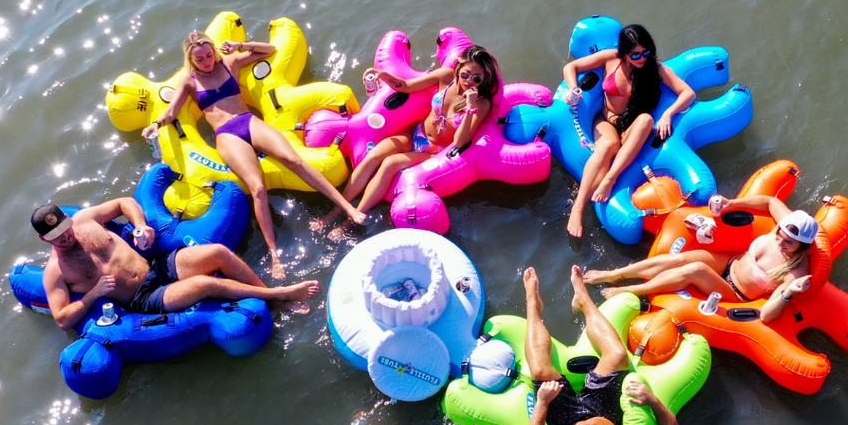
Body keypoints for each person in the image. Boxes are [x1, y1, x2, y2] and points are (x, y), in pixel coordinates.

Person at [141, 31, 366, 278]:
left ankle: (347, 207)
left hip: (248, 121)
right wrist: (155, 124)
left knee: (293, 160)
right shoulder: (189, 81)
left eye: (208, 54)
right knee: (257, 188)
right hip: (227, 135)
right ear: (191, 60)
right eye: (200, 59)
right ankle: (275, 256)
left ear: (214, 51)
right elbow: (172, 112)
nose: (206, 61)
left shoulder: (229, 62)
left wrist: (240, 45)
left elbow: (268, 50)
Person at [521, 265, 682, 425]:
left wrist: (542, 403)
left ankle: (533, 306)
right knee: (617, 355)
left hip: (564, 422)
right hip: (604, 412)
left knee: (542, 371)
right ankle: (583, 300)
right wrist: (652, 400)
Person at [31, 199, 319, 331]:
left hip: (156, 265)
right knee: (207, 284)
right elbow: (61, 319)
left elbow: (123, 203)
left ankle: (271, 297)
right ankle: (280, 295)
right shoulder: (56, 270)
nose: (66, 235)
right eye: (57, 236)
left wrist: (140, 225)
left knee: (218, 252)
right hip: (143, 298)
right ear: (45, 239)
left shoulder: (85, 220)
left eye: (65, 228)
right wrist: (93, 294)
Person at [311, 44, 500, 234]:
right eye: (466, 74)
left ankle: (351, 221)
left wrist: (469, 108)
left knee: (390, 163)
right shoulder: (445, 77)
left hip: (433, 151)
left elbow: (460, 142)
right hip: (415, 133)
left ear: (483, 80)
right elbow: (407, 86)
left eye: (477, 78)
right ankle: (335, 212)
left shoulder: (481, 104)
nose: (469, 81)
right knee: (373, 156)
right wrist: (382, 75)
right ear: (458, 68)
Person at [584, 195, 818, 323]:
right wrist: (732, 203)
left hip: (736, 293)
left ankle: (629, 290)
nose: (780, 241)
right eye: (780, 234)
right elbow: (770, 202)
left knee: (696, 268)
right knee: (681, 259)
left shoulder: (796, 272)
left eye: (789, 242)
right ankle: (614, 275)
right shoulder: (789, 223)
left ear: (803, 246)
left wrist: (790, 292)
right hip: (729, 262)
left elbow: (767, 315)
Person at [563, 24, 695, 238]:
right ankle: (577, 208)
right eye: (635, 55)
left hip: (631, 127)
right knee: (607, 145)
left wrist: (668, 114)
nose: (642, 58)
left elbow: (687, 93)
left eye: (646, 52)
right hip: (605, 120)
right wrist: (573, 89)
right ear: (624, 53)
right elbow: (571, 68)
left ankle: (610, 178)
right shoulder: (610, 58)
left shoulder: (655, 69)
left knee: (646, 120)